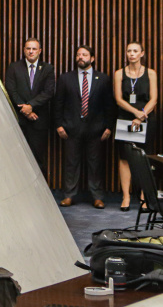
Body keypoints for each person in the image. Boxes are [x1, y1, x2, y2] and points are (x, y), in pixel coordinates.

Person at [54, 45, 116, 208]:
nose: (80, 57)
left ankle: (97, 197)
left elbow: (109, 105)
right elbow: (58, 103)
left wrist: (109, 127)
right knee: (71, 163)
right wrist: (59, 125)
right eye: (78, 54)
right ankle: (69, 195)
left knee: (95, 164)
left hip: (96, 129)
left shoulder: (103, 78)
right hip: (71, 128)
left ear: (92, 58)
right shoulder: (65, 78)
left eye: (84, 54)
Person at [113, 42, 158, 211]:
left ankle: (144, 197)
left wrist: (142, 115)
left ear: (142, 54)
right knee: (124, 158)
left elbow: (154, 99)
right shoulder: (119, 73)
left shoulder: (151, 73)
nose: (131, 54)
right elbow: (119, 99)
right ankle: (126, 197)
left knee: (145, 157)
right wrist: (135, 113)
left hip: (145, 119)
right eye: (129, 51)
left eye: (135, 51)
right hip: (125, 119)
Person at [4, 38, 56, 177]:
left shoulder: (48, 69)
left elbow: (48, 92)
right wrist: (26, 111)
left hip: (39, 120)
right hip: (19, 120)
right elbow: (11, 91)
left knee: (38, 159)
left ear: (40, 51)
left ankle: (39, 189)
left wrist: (31, 106)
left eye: (34, 49)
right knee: (17, 158)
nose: (31, 51)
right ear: (24, 50)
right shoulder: (14, 67)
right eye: (28, 48)